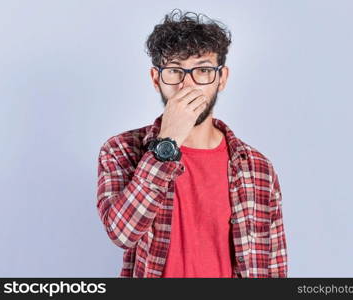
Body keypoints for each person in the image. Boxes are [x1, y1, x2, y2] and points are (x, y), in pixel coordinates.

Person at [96, 8, 288, 278]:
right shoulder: (121, 150)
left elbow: (273, 269)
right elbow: (122, 233)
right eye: (175, 71)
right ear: (156, 79)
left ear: (221, 78)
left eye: (203, 70)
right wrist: (167, 142)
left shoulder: (258, 169)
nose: (188, 85)